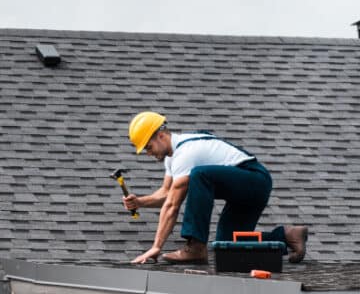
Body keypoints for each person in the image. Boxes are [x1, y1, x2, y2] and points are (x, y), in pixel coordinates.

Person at [124, 111, 309, 265]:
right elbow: (166, 194)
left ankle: (195, 247)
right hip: (243, 187)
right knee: (226, 247)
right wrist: (140, 202)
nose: (149, 153)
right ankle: (286, 235)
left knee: (199, 175)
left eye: (149, 147)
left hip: (255, 179)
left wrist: (156, 246)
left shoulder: (185, 153)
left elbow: (173, 204)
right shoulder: (173, 157)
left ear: (161, 135)